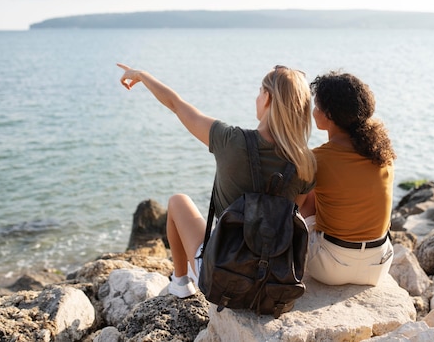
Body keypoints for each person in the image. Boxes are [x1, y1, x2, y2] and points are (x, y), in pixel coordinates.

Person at [117, 63, 316, 298]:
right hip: (273, 278)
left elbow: (177, 105)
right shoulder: (306, 162)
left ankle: (180, 284)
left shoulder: (230, 140)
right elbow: (295, 213)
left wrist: (143, 75)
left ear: (268, 98)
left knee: (177, 201)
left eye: (259, 92)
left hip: (224, 273)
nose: (256, 98)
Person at [300, 71, 396, 286]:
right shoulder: (383, 153)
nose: (314, 112)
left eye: (317, 107)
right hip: (378, 265)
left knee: (306, 197)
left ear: (330, 115)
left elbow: (295, 209)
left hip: (331, 268)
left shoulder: (318, 158)